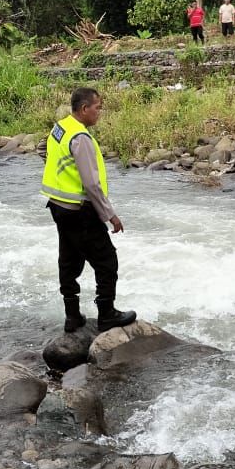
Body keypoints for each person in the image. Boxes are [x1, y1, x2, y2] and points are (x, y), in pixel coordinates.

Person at [41, 87, 137, 333]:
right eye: (98, 107)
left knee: (69, 261)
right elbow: (92, 184)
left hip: (58, 206)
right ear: (84, 109)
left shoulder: (60, 127)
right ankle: (107, 314)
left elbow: (45, 151)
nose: (100, 112)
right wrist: (110, 215)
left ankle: (72, 316)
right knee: (106, 261)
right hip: (79, 210)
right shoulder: (81, 138)